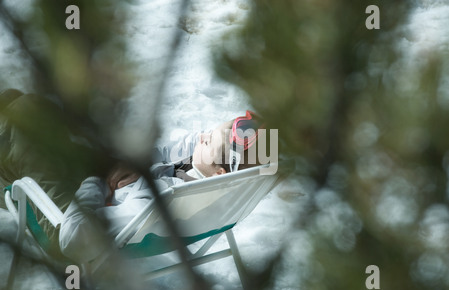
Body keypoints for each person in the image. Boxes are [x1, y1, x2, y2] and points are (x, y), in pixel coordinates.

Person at [0, 88, 264, 263]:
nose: (202, 135)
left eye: (207, 142)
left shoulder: (161, 197)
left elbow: (74, 238)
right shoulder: (211, 181)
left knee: (21, 119)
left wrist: (99, 179)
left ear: (219, 171)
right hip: (99, 186)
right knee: (22, 105)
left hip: (70, 218)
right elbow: (193, 144)